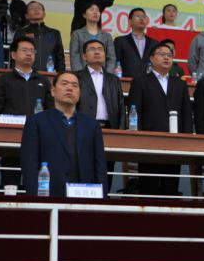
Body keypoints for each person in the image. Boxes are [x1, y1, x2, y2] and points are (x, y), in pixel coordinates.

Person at [21, 71, 108, 197]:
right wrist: (35, 198)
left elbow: (100, 166)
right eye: (64, 84)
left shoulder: (92, 125)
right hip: (48, 196)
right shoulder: (36, 122)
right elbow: (29, 165)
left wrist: (102, 199)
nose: (69, 88)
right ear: (53, 91)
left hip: (84, 196)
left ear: (80, 94)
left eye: (74, 85)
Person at [128, 42, 193, 196]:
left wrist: (187, 138)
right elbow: (134, 111)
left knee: (170, 188)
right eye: (162, 54)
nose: (166, 58)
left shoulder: (180, 84)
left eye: (169, 55)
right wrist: (137, 137)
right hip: (148, 142)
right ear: (151, 58)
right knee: (148, 188)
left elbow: (186, 113)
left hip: (175, 142)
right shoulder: (140, 81)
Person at [0, 37, 54, 186]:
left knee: (36, 185)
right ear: (13, 55)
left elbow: (51, 111)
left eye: (32, 51)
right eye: (24, 50)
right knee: (11, 183)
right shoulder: (3, 80)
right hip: (10, 140)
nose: (29, 54)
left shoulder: (43, 81)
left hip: (38, 140)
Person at [75, 39, 125, 192]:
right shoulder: (76, 77)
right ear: (84, 56)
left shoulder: (113, 79)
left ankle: (105, 199)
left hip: (109, 130)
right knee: (84, 167)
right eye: (92, 49)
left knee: (106, 170)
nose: (97, 52)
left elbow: (121, 107)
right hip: (84, 129)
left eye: (100, 49)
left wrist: (120, 133)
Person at [13, 1, 65, 73]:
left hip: (48, 74)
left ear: (44, 14)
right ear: (26, 16)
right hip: (27, 74)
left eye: (39, 8)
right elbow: (15, 56)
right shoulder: (21, 33)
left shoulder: (54, 33)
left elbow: (60, 58)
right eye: (32, 8)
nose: (36, 10)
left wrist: (61, 74)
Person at [70, 2, 116, 72]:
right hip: (83, 74)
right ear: (84, 15)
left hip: (103, 74)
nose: (95, 12)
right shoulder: (77, 34)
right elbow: (75, 57)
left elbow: (111, 58)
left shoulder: (107, 36)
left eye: (98, 10)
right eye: (92, 10)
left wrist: (107, 75)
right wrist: (80, 74)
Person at [113, 7, 158, 78]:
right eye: (138, 16)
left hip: (148, 82)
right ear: (130, 21)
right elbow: (115, 63)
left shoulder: (154, 43)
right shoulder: (120, 41)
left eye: (144, 17)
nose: (141, 19)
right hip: (126, 81)